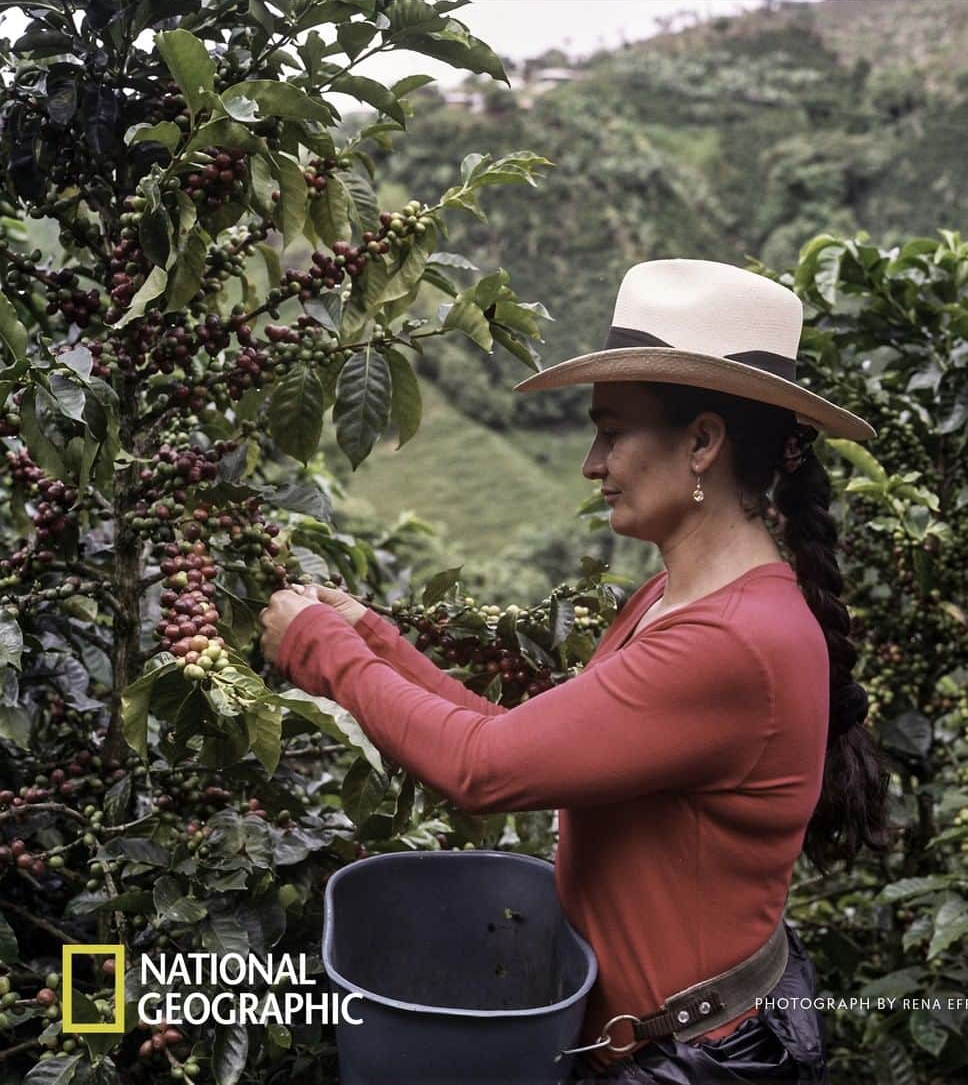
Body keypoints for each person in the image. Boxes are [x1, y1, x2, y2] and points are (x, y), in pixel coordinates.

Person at [259, 259, 898, 1084]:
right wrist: (372, 637)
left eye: (612, 431)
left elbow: (481, 771)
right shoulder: (673, 598)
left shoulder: (732, 643)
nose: (592, 464)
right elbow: (512, 741)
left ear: (703, 442)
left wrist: (319, 646)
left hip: (689, 1061)